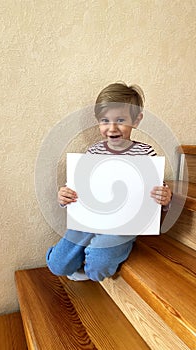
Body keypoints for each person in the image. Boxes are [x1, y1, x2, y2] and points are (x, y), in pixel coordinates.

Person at [46, 82, 172, 281]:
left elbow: (156, 192)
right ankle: (85, 251)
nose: (112, 128)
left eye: (120, 120)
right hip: (89, 220)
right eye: (105, 120)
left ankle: (94, 259)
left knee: (99, 263)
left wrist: (165, 198)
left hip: (123, 225)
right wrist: (64, 196)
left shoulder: (146, 154)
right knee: (57, 263)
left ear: (137, 120)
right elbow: (77, 190)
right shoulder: (93, 152)